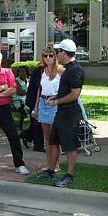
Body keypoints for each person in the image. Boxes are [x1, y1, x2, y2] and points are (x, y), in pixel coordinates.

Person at [47, 39, 85, 187]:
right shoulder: (68, 69)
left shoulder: (75, 70)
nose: (57, 54)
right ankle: (51, 170)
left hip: (70, 113)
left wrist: (56, 101)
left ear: (64, 52)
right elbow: (66, 91)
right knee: (54, 140)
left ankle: (69, 175)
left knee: (69, 145)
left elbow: (74, 95)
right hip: (62, 112)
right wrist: (56, 97)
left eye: (59, 51)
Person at [35, 47, 65, 180]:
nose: (48, 58)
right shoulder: (42, 70)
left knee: (54, 138)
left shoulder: (60, 70)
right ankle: (49, 164)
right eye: (45, 56)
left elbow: (68, 87)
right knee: (46, 138)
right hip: (43, 103)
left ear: (55, 57)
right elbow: (39, 89)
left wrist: (57, 98)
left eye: (50, 55)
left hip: (54, 104)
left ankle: (56, 165)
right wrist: (36, 107)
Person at [19, 65, 45, 152]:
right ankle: (38, 145)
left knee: (38, 123)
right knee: (37, 123)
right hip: (35, 101)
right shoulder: (40, 71)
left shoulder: (47, 70)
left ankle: (26, 135)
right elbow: (40, 86)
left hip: (38, 100)